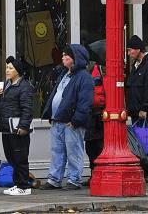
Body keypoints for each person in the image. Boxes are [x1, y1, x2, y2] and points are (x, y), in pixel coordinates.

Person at [39, 44, 93, 190]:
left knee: (74, 151)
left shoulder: (84, 77)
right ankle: (54, 180)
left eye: (66, 55)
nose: (63, 57)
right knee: (57, 151)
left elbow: (85, 102)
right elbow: (56, 95)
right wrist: (51, 113)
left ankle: (74, 180)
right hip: (58, 120)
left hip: (71, 122)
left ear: (76, 58)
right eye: (63, 55)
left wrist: (76, 120)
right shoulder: (64, 74)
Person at [125, 34, 148, 182]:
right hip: (137, 111)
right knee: (141, 141)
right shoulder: (137, 65)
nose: (128, 53)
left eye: (130, 50)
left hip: (146, 112)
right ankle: (145, 170)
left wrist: (145, 108)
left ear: (138, 49)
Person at [0, 56, 34, 196]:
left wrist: (24, 126)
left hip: (17, 128)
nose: (7, 70)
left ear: (18, 71)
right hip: (7, 128)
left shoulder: (24, 87)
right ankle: (17, 183)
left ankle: (24, 186)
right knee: (11, 158)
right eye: (7, 67)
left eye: (11, 68)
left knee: (20, 158)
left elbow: (27, 109)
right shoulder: (7, 84)